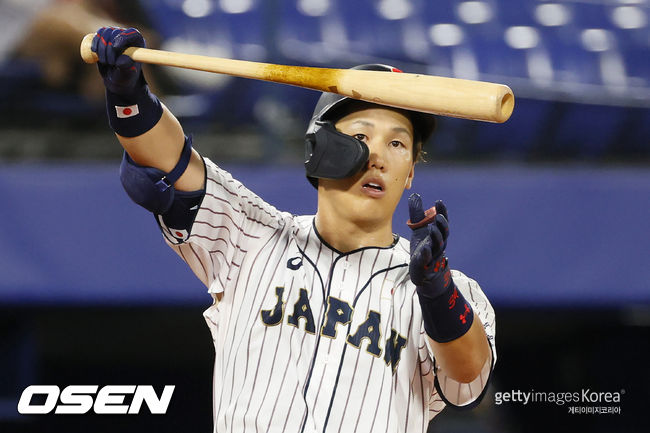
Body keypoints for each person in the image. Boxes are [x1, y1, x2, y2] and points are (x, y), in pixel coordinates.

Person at [91, 27, 496, 433]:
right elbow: (169, 161)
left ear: (409, 172)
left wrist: (438, 291)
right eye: (360, 136)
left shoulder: (448, 290)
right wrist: (129, 95)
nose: (378, 157)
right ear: (318, 148)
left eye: (398, 144)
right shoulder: (254, 237)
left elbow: (467, 376)